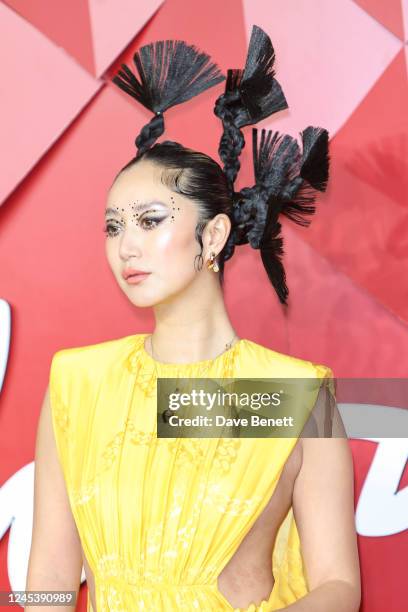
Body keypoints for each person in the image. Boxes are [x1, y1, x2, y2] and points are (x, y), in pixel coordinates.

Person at [26, 26, 361, 612]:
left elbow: (338, 586)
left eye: (150, 220)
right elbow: (49, 580)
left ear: (214, 234)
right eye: (112, 226)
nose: (124, 246)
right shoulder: (77, 384)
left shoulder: (295, 394)